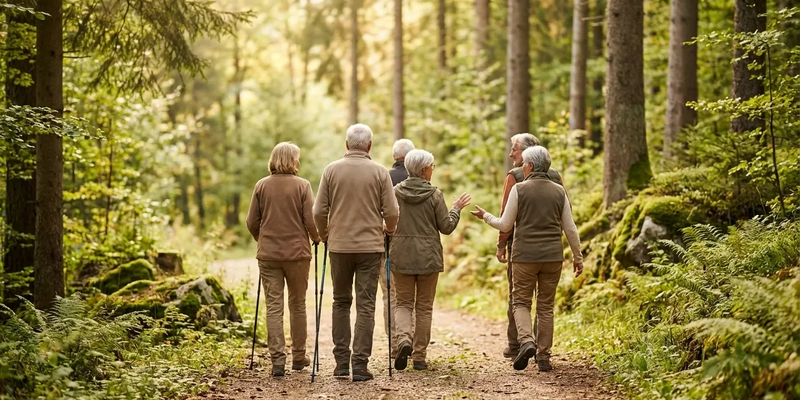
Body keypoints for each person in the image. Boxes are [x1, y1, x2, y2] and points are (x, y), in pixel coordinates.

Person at [471, 146, 583, 372]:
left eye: (524, 163)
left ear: (530, 165)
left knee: (521, 302)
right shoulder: (559, 191)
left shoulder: (519, 189)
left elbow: (505, 224)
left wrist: (485, 216)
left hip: (524, 256)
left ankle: (527, 341)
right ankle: (543, 357)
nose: (522, 166)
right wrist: (577, 256)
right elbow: (569, 228)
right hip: (552, 257)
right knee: (546, 306)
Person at [313, 123, 400, 382]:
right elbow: (392, 211)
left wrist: (325, 233)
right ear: (369, 146)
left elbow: (318, 211)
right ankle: (360, 365)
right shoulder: (379, 172)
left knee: (340, 302)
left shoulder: (331, 170)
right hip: (371, 248)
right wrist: (390, 229)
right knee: (366, 305)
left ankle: (341, 364)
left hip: (339, 247)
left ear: (347, 144)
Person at [389, 149, 471, 372]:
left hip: (401, 255)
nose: (432, 170)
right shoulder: (435, 195)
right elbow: (446, 227)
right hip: (428, 258)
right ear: (425, 170)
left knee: (403, 304)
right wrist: (456, 209)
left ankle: (403, 340)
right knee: (424, 308)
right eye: (431, 167)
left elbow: (386, 221)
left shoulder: (395, 192)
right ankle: (419, 357)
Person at [245, 142, 321, 378]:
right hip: (298, 254)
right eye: (297, 158)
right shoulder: (303, 185)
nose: (299, 161)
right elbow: (311, 220)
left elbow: (251, 222)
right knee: (297, 305)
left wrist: (262, 238)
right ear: (292, 160)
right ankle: (299, 357)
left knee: (274, 307)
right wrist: (317, 238)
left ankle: (278, 360)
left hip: (268, 255)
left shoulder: (261, 186)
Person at [497, 133, 568, 359]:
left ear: (527, 154)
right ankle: (542, 351)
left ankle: (517, 343)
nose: (511, 154)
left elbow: (505, 217)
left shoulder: (515, 177)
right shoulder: (556, 177)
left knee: (518, 297)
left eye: (514, 150)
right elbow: (566, 215)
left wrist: (501, 244)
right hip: (551, 248)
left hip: (522, 247)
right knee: (545, 303)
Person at [381, 138, 415, 355]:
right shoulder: (420, 178)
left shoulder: (383, 177)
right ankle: (414, 341)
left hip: (387, 245)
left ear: (394, 156)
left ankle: (396, 344)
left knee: (390, 295)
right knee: (414, 296)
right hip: (414, 245)